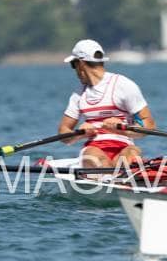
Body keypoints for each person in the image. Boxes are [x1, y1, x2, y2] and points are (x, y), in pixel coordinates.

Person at [57, 39, 156, 168]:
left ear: (80, 63)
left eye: (73, 65)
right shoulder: (78, 95)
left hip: (125, 146)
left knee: (132, 154)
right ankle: (109, 174)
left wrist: (123, 129)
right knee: (95, 159)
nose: (74, 70)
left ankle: (120, 174)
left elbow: (149, 126)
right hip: (94, 148)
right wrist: (79, 133)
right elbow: (63, 133)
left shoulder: (123, 85)